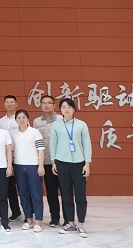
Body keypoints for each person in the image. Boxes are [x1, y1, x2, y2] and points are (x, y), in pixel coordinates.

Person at [50, 98, 92, 238]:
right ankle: (71, 223)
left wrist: (87, 163)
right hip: (61, 163)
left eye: (69, 107)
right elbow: (53, 144)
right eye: (63, 107)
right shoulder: (56, 125)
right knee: (66, 194)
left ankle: (81, 224)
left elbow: (87, 145)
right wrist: (53, 162)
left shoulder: (81, 125)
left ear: (74, 109)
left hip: (79, 163)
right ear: (60, 110)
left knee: (80, 195)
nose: (66, 109)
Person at [32, 95, 67, 228]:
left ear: (54, 105)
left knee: (65, 191)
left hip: (61, 161)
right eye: (43, 103)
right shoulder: (36, 122)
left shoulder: (61, 119)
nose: (46, 105)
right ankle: (55, 218)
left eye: (49, 103)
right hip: (46, 162)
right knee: (51, 192)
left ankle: (68, 218)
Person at [12, 109, 45, 232]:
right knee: (23, 194)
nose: (21, 120)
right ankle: (29, 219)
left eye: (23, 117)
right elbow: (11, 150)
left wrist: (40, 166)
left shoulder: (35, 132)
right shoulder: (13, 134)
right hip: (19, 166)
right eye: (19, 118)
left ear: (28, 119)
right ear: (16, 120)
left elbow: (41, 149)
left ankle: (38, 221)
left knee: (36, 194)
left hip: (33, 166)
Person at [0, 95, 23, 222]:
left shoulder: (20, 118)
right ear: (4, 105)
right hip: (6, 158)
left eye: (12, 102)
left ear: (16, 104)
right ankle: (16, 212)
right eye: (7, 102)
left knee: (23, 187)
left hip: (20, 157)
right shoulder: (1, 121)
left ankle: (29, 213)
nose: (9, 104)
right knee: (10, 187)